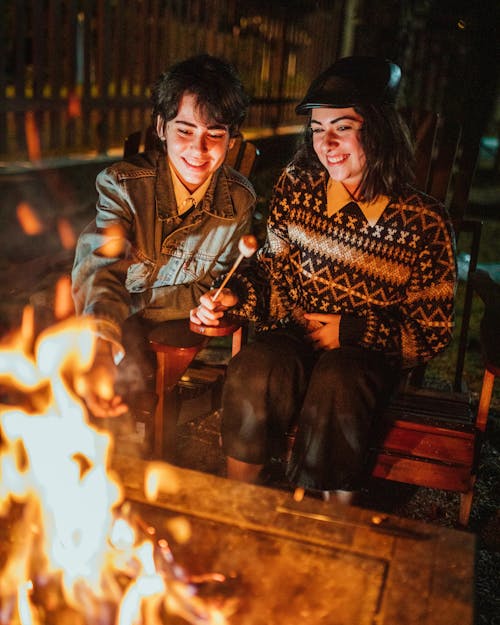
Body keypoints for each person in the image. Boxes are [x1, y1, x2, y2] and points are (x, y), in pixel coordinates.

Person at [190, 56, 457, 502]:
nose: (326, 143)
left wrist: (350, 331)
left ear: (378, 128)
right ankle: (239, 498)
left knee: (339, 377)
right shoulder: (298, 188)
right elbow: (276, 277)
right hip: (294, 338)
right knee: (257, 364)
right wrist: (235, 294)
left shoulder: (424, 222)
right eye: (317, 129)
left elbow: (430, 333)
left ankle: (336, 517)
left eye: (342, 127)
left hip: (364, 360)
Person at [72, 54, 255, 419]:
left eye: (214, 135)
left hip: (171, 323)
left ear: (231, 140)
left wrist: (217, 301)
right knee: (110, 384)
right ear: (161, 127)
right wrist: (101, 347)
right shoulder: (122, 186)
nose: (197, 150)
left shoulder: (238, 201)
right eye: (184, 130)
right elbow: (102, 271)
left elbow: (216, 282)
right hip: (111, 313)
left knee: (137, 394)